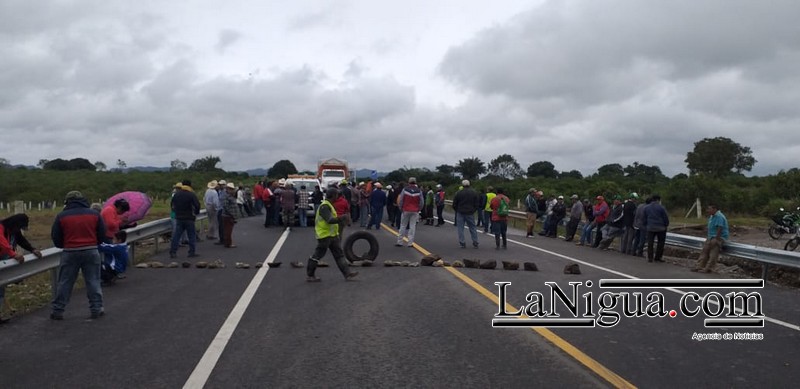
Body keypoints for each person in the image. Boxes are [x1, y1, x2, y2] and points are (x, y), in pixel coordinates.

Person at [50, 191, 107, 320]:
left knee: (65, 282)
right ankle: (96, 308)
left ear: (67, 202)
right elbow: (102, 234)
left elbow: (56, 236)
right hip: (91, 250)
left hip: (70, 251)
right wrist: (94, 243)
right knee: (93, 280)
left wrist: (64, 245)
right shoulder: (94, 214)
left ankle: (58, 310)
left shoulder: (62, 216)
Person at [302, 188, 359, 282]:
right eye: (337, 195)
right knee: (317, 256)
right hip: (324, 235)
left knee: (339, 255)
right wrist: (342, 218)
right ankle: (310, 275)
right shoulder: (325, 206)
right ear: (333, 196)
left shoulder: (329, 205)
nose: (338, 196)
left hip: (332, 235)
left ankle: (347, 274)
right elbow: (329, 220)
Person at [0, 214, 43, 324]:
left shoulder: (14, 230)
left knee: (1, 289)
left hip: (4, 262)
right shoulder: (1, 227)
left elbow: (21, 240)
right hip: (4, 259)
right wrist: (13, 254)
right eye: (19, 227)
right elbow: (3, 243)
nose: (19, 230)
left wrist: (32, 249)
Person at [692, 204, 729, 273]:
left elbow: (720, 228)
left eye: (709, 209)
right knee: (705, 251)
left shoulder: (719, 216)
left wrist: (717, 239)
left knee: (713, 253)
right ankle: (699, 266)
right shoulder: (712, 216)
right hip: (711, 237)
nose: (707, 210)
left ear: (714, 209)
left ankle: (709, 268)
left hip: (718, 237)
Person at [169, 181, 201, 259]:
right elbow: (197, 205)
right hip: (189, 217)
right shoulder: (191, 194)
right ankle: (191, 252)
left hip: (179, 217)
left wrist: (177, 212)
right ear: (190, 186)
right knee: (191, 235)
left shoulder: (177, 194)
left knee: (177, 235)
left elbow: (172, 205)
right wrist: (195, 213)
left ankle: (173, 252)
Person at [395, 177, 424, 247]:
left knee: (403, 225)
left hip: (406, 209)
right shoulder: (419, 191)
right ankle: (410, 243)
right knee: (412, 226)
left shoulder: (405, 190)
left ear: (409, 182)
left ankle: (400, 241)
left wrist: (401, 208)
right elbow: (422, 202)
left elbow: (401, 200)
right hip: (415, 210)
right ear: (415, 182)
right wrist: (419, 209)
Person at [452, 179, 480, 249]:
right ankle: (475, 241)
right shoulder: (474, 192)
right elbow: (477, 203)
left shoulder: (458, 193)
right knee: (472, 227)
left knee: (460, 228)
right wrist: (473, 210)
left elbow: (454, 204)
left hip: (460, 212)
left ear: (462, 185)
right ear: (469, 184)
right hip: (470, 212)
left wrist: (457, 210)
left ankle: (462, 243)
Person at [643, 194, 669, 263]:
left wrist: (646, 225)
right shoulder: (661, 208)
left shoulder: (646, 207)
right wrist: (666, 224)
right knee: (660, 243)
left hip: (650, 227)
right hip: (661, 228)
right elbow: (665, 218)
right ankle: (658, 257)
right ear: (658, 200)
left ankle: (650, 258)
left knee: (650, 243)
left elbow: (644, 218)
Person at [221, 183, 239, 248]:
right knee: (228, 230)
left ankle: (228, 242)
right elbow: (226, 207)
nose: (232, 190)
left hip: (229, 215)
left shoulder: (230, 196)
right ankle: (228, 243)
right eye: (231, 189)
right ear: (227, 189)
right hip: (228, 216)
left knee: (228, 230)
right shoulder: (226, 196)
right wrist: (232, 214)